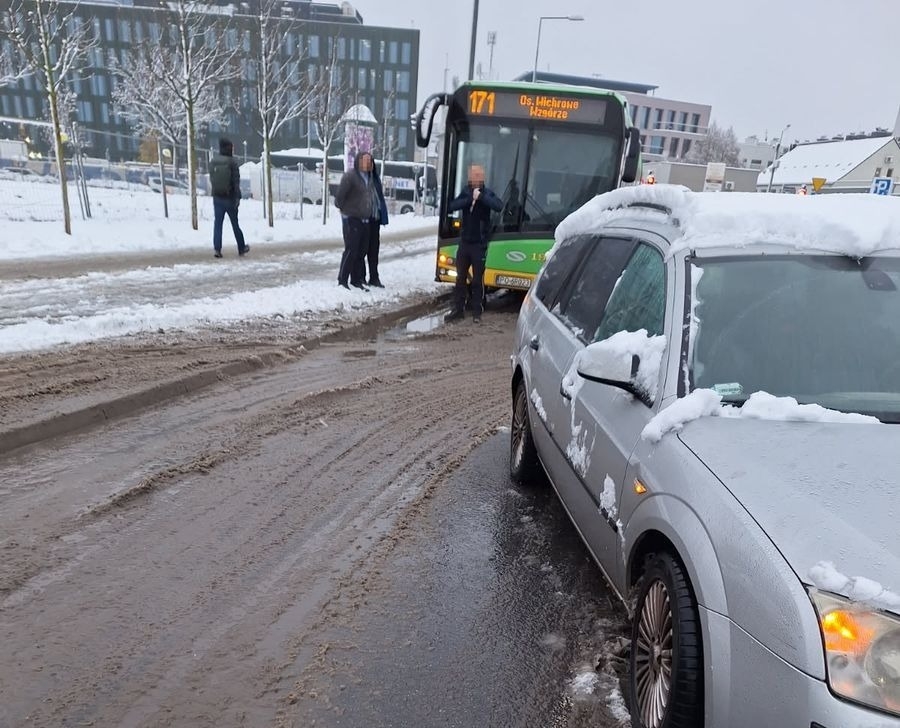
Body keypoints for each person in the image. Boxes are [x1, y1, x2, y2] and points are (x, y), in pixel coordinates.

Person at [444, 164, 503, 323]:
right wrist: (471, 198)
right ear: (469, 177)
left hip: (479, 244)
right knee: (460, 278)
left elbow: (498, 206)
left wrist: (481, 198)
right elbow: (452, 206)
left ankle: (477, 312)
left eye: (480, 175)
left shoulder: (487, 193)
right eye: (474, 175)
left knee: (478, 280)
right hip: (465, 243)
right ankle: (458, 310)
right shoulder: (465, 192)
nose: (477, 178)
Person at [335, 151, 380, 291]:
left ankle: (356, 279)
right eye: (365, 161)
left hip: (365, 220)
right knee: (351, 249)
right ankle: (343, 279)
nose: (368, 164)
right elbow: (339, 198)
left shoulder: (370, 178)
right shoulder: (350, 177)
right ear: (358, 162)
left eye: (370, 161)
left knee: (361, 251)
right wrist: (346, 213)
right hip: (352, 218)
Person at [208, 138, 248, 258]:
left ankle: (217, 249)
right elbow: (236, 182)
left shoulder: (213, 161)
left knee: (218, 224)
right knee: (235, 223)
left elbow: (212, 178)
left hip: (217, 197)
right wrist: (237, 198)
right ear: (229, 148)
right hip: (230, 198)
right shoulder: (232, 162)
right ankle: (241, 247)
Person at [365, 163, 389, 288]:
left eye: (370, 163)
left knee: (374, 251)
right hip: (364, 220)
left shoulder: (375, 179)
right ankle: (360, 278)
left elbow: (380, 199)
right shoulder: (359, 179)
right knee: (362, 250)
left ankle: (374, 277)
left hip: (375, 220)